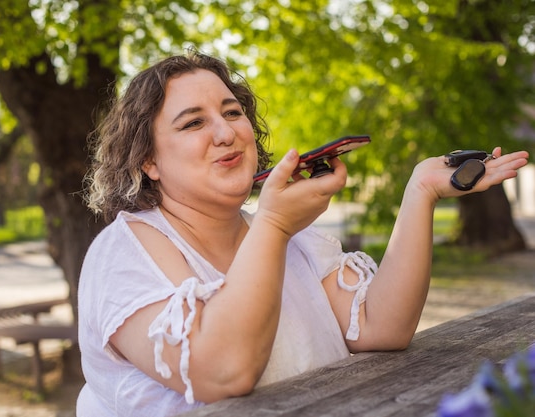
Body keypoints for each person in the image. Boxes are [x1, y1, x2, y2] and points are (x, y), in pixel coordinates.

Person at [76, 50, 530, 417]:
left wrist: (421, 191)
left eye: (232, 113)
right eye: (193, 122)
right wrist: (274, 225)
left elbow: (382, 327)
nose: (226, 132)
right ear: (147, 161)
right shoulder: (123, 253)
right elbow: (221, 373)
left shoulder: (296, 240)